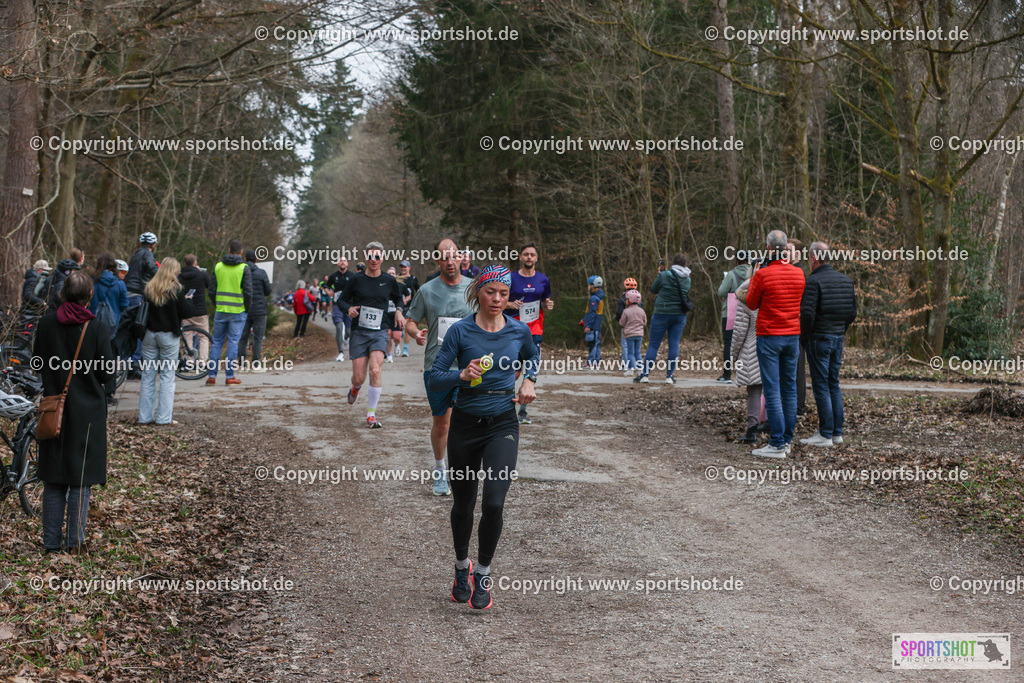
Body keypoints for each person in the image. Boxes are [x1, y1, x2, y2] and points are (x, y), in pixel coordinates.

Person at [428, 264, 539, 610]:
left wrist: (529, 381)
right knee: (463, 504)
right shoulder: (461, 332)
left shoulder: (519, 331)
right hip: (464, 423)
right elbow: (435, 375)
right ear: (478, 292)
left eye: (504, 294)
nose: (496, 299)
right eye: (491, 292)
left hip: (502, 423)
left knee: (493, 501)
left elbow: (533, 358)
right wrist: (460, 374)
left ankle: (485, 574)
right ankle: (462, 567)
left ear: (509, 298)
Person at [34, 271, 114, 554]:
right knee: (80, 479)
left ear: (63, 294)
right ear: (89, 296)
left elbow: (37, 362)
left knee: (54, 478)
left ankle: (51, 545)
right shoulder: (96, 329)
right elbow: (106, 373)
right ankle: (75, 544)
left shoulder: (45, 325)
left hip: (53, 409)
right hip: (87, 414)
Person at [404, 238, 473, 497]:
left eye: (454, 255)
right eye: (444, 257)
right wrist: (417, 334)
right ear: (438, 260)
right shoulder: (427, 290)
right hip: (437, 367)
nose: (450, 261)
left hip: (469, 367)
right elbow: (410, 321)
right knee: (442, 423)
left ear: (461, 258)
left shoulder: (474, 288)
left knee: (465, 422)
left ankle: (463, 471)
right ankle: (440, 469)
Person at [745, 230, 806, 458]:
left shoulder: (763, 275)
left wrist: (756, 275)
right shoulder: (799, 274)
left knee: (772, 389)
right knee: (789, 389)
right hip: (792, 336)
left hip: (770, 335)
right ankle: (787, 440)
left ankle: (777, 443)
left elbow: (751, 303)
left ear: (769, 248)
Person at [337, 241, 406, 428]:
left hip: (380, 331)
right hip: (359, 332)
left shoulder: (389, 280)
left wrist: (399, 310)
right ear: (365, 258)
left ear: (382, 258)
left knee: (375, 370)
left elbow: (398, 298)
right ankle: (355, 388)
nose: (374, 260)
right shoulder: (356, 280)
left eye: (377, 256)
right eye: (370, 256)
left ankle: (371, 415)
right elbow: (341, 301)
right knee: (359, 377)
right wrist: (349, 308)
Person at [799, 241, 858, 447]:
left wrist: (804, 337)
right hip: (837, 337)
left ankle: (825, 433)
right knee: (834, 383)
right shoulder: (846, 281)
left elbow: (807, 314)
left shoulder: (813, 282)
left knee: (821, 386)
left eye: (808, 257)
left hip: (819, 338)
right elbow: (852, 312)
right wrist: (840, 329)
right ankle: (836, 432)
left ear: (814, 258)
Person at [139, 258, 194, 425]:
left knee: (147, 377)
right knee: (167, 378)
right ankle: (163, 418)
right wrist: (189, 299)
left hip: (149, 334)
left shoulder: (149, 288)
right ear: (174, 272)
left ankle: (145, 417)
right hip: (169, 336)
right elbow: (186, 312)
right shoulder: (176, 290)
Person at [506, 242, 553, 424]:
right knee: (513, 372)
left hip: (535, 331)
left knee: (531, 372)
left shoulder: (543, 280)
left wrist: (548, 305)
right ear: (520, 257)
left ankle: (523, 412)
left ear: (536, 258)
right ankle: (507, 408)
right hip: (513, 330)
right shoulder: (511, 278)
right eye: (526, 254)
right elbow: (501, 301)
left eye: (532, 255)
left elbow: (545, 301)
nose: (529, 257)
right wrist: (511, 304)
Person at [636, 254, 691, 384]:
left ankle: (645, 375)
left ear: (673, 263)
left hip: (661, 313)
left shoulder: (664, 275)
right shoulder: (687, 278)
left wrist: (660, 274)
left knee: (654, 345)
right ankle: (669, 376)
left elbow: (653, 289)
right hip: (679, 315)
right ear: (684, 265)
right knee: (674, 345)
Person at [205, 240, 252, 386]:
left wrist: (217, 304)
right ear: (241, 252)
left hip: (221, 310)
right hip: (238, 311)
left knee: (217, 343)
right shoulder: (244, 268)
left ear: (229, 250)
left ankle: (212, 376)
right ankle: (230, 376)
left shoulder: (218, 266)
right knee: (232, 342)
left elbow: (211, 290)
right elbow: (249, 292)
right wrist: (246, 308)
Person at [731, 279, 765, 444]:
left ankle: (752, 429)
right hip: (777, 346)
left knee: (754, 391)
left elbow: (739, 333)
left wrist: (733, 356)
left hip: (752, 350)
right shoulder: (777, 295)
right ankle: (775, 427)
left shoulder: (746, 298)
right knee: (775, 390)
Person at [716, 251, 752, 383]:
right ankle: (746, 374)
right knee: (747, 343)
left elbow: (721, 292)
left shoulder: (731, 274)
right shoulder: (755, 273)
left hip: (731, 313)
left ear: (737, 261)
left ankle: (727, 374)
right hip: (750, 312)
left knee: (729, 343)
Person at [785, 238, 809, 416]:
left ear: (798, 254)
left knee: (798, 368)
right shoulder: (790, 270)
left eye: (789, 250)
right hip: (790, 325)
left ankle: (799, 406)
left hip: (797, 325)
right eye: (784, 249)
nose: (785, 253)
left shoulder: (798, 272)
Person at [238, 249, 272, 372]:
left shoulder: (240, 272)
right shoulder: (262, 273)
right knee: (258, 338)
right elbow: (268, 291)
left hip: (244, 309)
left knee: (243, 338)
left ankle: (241, 364)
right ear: (256, 260)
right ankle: (255, 364)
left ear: (245, 259)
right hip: (259, 310)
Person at [178, 254, 213, 367]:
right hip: (200, 311)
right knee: (203, 337)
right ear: (195, 263)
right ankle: (202, 361)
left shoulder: (180, 276)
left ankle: (189, 361)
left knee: (187, 335)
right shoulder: (201, 274)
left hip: (186, 311)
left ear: (185, 263)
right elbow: (209, 285)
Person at [89, 253, 129, 340]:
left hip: (91, 321)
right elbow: (125, 304)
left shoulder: (91, 282)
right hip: (112, 324)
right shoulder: (120, 284)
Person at [326, 258, 355, 361]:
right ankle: (340, 352)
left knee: (348, 331)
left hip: (348, 306)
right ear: (338, 263)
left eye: (344, 260)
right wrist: (328, 292)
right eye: (340, 260)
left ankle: (346, 339)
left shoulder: (352, 276)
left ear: (347, 263)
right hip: (337, 305)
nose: (342, 262)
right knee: (338, 326)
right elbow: (326, 286)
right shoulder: (333, 276)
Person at [124, 233, 159, 305]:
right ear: (153, 245)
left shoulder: (136, 254)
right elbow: (153, 268)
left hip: (128, 289)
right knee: (137, 315)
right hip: (138, 291)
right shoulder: (148, 254)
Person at [619, 289, 646, 376]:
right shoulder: (642, 311)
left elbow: (622, 323)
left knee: (630, 352)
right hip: (639, 334)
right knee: (638, 352)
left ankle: (631, 369)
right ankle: (639, 369)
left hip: (629, 335)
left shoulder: (626, 311)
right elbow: (645, 322)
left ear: (630, 300)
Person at [384, 266, 408, 362]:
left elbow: (408, 294)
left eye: (393, 273)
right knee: (388, 335)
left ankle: (397, 345)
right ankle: (389, 355)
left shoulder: (400, 286)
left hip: (396, 315)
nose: (391, 275)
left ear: (395, 275)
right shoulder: (383, 286)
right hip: (386, 315)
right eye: (389, 273)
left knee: (397, 337)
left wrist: (405, 300)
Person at [615, 277, 638, 375]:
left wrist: (620, 320)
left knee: (625, 345)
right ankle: (637, 364)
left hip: (626, 325)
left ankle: (626, 364)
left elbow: (619, 313)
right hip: (637, 326)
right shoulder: (639, 299)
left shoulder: (623, 299)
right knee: (636, 345)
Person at [398, 259, 419, 356]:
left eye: (405, 267)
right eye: (401, 267)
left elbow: (418, 291)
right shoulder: (397, 278)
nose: (403, 268)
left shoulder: (413, 279)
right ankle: (401, 336)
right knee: (401, 329)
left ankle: (405, 349)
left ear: (409, 268)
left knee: (406, 327)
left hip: (410, 306)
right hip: (398, 306)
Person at [582, 275, 605, 369]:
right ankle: (596, 362)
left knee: (592, 344)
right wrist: (584, 319)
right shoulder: (599, 297)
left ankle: (591, 362)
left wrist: (588, 325)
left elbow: (592, 314)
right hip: (597, 325)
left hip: (593, 326)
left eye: (589, 285)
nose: (588, 287)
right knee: (596, 343)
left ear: (593, 286)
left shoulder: (593, 298)